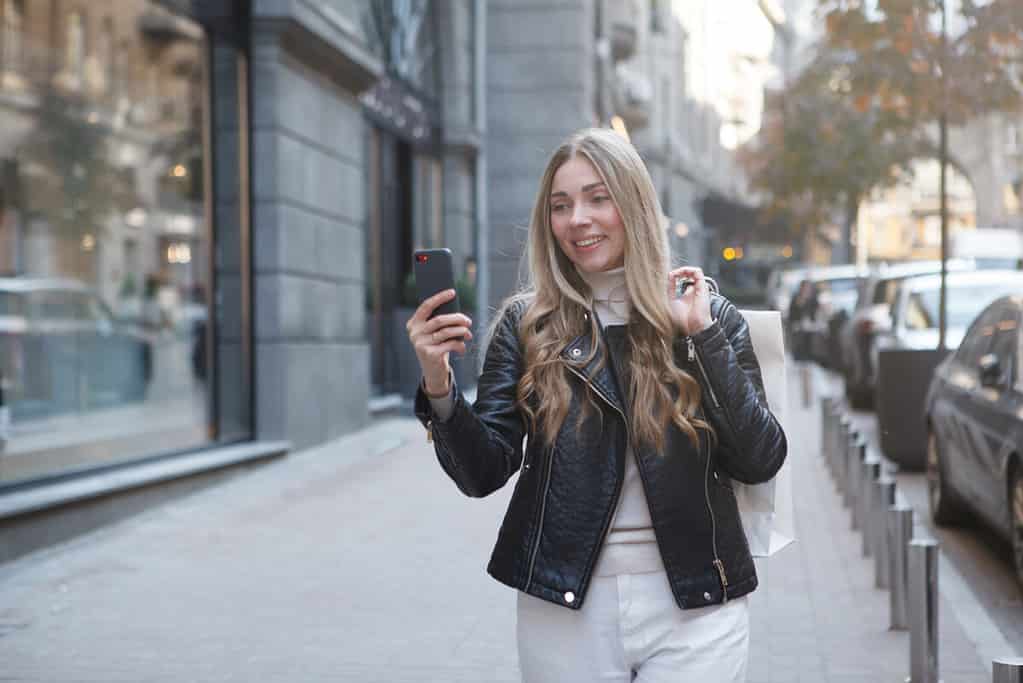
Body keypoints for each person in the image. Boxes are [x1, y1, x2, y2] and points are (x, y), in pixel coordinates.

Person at [405, 128, 787, 682]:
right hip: (564, 607)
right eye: (561, 205)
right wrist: (437, 382)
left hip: (698, 605)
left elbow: (760, 458)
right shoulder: (526, 324)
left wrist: (701, 337)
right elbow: (482, 472)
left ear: (631, 204)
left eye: (597, 197)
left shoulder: (706, 313)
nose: (577, 219)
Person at [787, 279, 818, 362]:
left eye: (808, 288)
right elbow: (791, 317)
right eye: (805, 288)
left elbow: (815, 315)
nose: (806, 290)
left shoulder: (813, 300)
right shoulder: (795, 300)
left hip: (810, 330)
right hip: (798, 330)